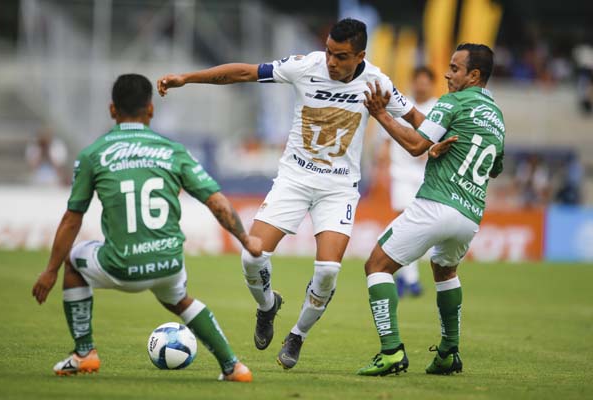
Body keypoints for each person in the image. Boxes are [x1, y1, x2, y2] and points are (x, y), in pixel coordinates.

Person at [157, 18, 452, 370]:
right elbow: (244, 73)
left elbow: (420, 119)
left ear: (359, 55)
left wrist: (439, 143)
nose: (331, 61)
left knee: (328, 271)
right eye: (329, 51)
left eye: (340, 56)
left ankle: (297, 335)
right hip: (293, 180)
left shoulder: (377, 83)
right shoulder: (304, 66)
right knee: (251, 257)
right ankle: (268, 306)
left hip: (339, 188)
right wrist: (187, 79)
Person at [32, 74, 261, 382]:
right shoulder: (173, 151)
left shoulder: (93, 154)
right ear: (150, 110)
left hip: (121, 265)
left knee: (73, 261)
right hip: (168, 262)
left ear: (112, 110)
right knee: (179, 298)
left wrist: (50, 270)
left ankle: (85, 353)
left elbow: (73, 218)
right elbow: (217, 202)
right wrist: (245, 239)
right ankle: (233, 366)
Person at [357, 43, 504, 376]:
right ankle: (449, 353)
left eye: (455, 68)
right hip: (470, 214)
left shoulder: (451, 102)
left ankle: (391, 351)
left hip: (437, 202)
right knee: (445, 270)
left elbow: (415, 146)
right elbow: (495, 168)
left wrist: (380, 114)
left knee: (376, 266)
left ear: (474, 74)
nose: (448, 74)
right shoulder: (497, 116)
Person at [386, 66, 438, 298]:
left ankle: (405, 277)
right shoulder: (401, 105)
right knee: (403, 222)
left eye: (426, 82)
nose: (421, 86)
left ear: (431, 84)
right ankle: (412, 279)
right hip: (400, 173)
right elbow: (386, 136)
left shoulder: (438, 108)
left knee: (416, 227)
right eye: (418, 81)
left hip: (426, 175)